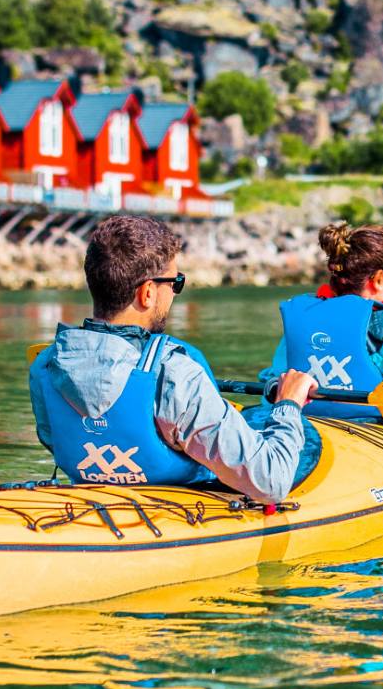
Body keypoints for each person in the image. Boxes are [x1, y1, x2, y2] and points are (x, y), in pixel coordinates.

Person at [29, 215, 317, 503]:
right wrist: (288, 405)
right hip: (177, 507)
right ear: (148, 293)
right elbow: (272, 483)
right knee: (303, 440)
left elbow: (58, 440)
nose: (175, 293)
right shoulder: (174, 373)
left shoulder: (47, 365)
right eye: (175, 283)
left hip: (96, 496)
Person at [259, 222, 383, 420]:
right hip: (370, 429)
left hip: (303, 424)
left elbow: (273, 384)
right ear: (378, 279)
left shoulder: (303, 323)